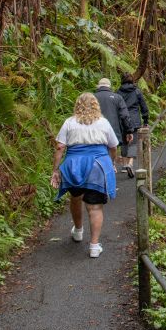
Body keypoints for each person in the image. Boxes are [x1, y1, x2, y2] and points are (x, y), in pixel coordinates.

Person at [51, 93, 118, 258]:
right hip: (98, 165)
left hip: (74, 166)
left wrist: (55, 170)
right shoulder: (103, 123)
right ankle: (94, 246)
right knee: (94, 207)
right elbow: (113, 146)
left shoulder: (69, 122)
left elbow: (60, 147)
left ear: (77, 105)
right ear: (96, 105)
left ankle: (78, 231)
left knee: (75, 197)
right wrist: (111, 163)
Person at [94, 77, 132, 171]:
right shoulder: (117, 97)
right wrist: (128, 131)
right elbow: (124, 116)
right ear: (109, 86)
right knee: (111, 154)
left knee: (99, 155)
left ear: (98, 86)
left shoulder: (92, 97)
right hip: (113, 131)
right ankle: (111, 169)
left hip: (95, 132)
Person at [116, 74, 149, 178]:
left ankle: (125, 165)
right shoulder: (137, 91)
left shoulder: (118, 92)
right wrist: (145, 120)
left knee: (124, 142)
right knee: (133, 143)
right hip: (134, 120)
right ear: (132, 80)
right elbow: (143, 106)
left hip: (122, 119)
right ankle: (130, 163)